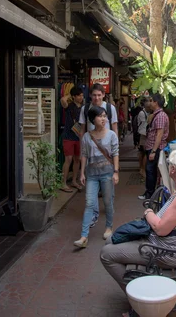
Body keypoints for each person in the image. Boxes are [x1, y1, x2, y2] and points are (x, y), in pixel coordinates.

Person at [101, 149, 176, 301]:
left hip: (166, 252)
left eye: (170, 164)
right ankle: (139, 293)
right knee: (113, 240)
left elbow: (161, 229)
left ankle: (140, 299)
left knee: (106, 254)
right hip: (166, 245)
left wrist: (148, 213)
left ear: (173, 170)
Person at [74, 106, 120, 248]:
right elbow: (84, 155)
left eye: (105, 116)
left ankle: (108, 227)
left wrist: (116, 172)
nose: (104, 119)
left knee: (107, 202)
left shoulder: (112, 135)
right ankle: (84, 236)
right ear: (93, 119)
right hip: (91, 175)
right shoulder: (87, 136)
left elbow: (115, 153)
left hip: (107, 173)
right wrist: (82, 172)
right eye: (100, 116)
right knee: (89, 203)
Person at [79, 83, 119, 226]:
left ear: (103, 95)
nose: (96, 97)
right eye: (94, 95)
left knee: (108, 187)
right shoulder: (85, 109)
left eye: (99, 95)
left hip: (106, 152)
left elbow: (114, 127)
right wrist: (82, 149)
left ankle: (109, 208)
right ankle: (93, 215)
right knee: (92, 184)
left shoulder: (110, 108)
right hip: (91, 150)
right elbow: (82, 129)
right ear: (90, 95)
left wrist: (116, 148)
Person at [138, 93, 169, 200]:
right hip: (151, 147)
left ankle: (150, 193)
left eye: (151, 101)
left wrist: (154, 151)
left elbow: (159, 134)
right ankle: (151, 191)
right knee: (151, 170)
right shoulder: (156, 114)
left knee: (150, 170)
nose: (149, 103)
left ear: (156, 102)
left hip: (155, 147)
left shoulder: (160, 116)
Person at [59, 86, 84, 192]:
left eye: (82, 95)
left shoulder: (83, 107)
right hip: (69, 136)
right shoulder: (69, 106)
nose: (81, 97)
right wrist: (70, 94)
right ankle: (63, 183)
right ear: (74, 96)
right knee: (68, 159)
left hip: (79, 137)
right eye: (79, 95)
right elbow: (62, 100)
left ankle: (74, 180)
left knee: (77, 160)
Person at [135, 98, 149, 178]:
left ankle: (142, 168)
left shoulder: (146, 112)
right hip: (143, 134)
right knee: (144, 153)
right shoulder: (142, 113)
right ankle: (142, 169)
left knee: (143, 152)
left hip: (145, 134)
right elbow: (144, 125)